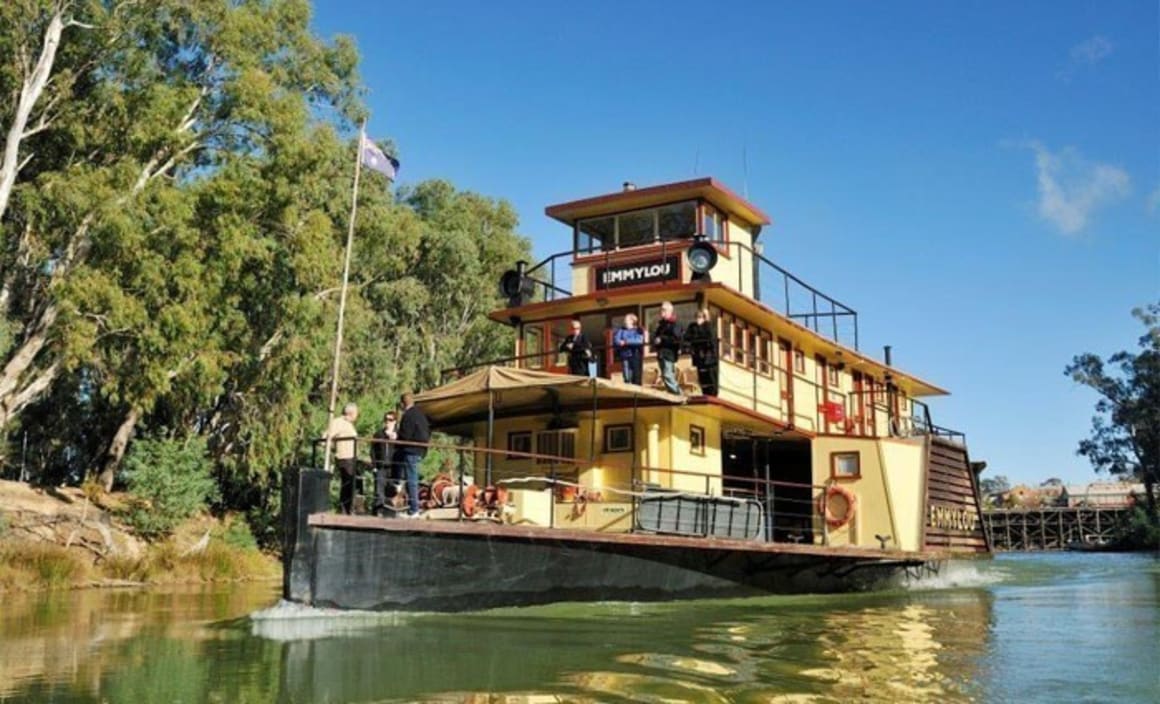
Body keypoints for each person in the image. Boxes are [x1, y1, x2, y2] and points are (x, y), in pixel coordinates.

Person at [396, 391, 430, 518]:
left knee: (411, 479)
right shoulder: (421, 414)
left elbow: (405, 435)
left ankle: (414, 510)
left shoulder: (408, 415)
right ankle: (413, 508)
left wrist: (396, 438)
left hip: (411, 450)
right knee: (412, 478)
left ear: (402, 403)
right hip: (420, 450)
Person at [322, 402, 360, 514]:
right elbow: (326, 436)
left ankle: (349, 508)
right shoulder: (338, 422)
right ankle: (344, 509)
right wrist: (334, 448)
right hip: (344, 457)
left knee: (352, 483)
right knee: (347, 483)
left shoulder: (348, 424)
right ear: (351, 413)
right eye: (356, 413)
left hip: (351, 457)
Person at [683, 308, 718, 396]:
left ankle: (712, 393)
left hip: (709, 358)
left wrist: (706, 321)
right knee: (702, 376)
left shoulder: (709, 326)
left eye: (701, 317)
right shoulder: (692, 327)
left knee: (710, 377)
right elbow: (687, 337)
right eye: (697, 317)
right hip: (698, 356)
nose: (698, 319)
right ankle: (705, 392)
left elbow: (711, 339)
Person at [652, 301, 683, 395]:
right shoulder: (661, 325)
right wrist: (656, 342)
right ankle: (673, 394)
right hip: (661, 353)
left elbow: (676, 339)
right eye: (661, 310)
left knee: (667, 375)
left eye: (664, 310)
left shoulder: (675, 325)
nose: (662, 312)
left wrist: (661, 339)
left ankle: (678, 393)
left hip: (669, 354)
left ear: (670, 311)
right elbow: (656, 337)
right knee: (665, 376)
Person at [371, 411, 398, 516]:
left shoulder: (399, 434)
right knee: (379, 490)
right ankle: (378, 512)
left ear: (395, 421)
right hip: (381, 466)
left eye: (390, 420)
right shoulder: (378, 434)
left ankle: (390, 512)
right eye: (386, 419)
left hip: (393, 467)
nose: (387, 422)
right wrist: (374, 466)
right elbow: (373, 451)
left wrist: (396, 438)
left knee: (392, 490)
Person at [613, 313, 645, 385]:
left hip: (635, 355)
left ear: (631, 321)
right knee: (626, 375)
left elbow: (639, 341)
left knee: (635, 375)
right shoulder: (621, 330)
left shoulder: (637, 330)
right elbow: (616, 339)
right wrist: (620, 342)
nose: (624, 321)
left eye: (626, 320)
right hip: (625, 355)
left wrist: (626, 342)